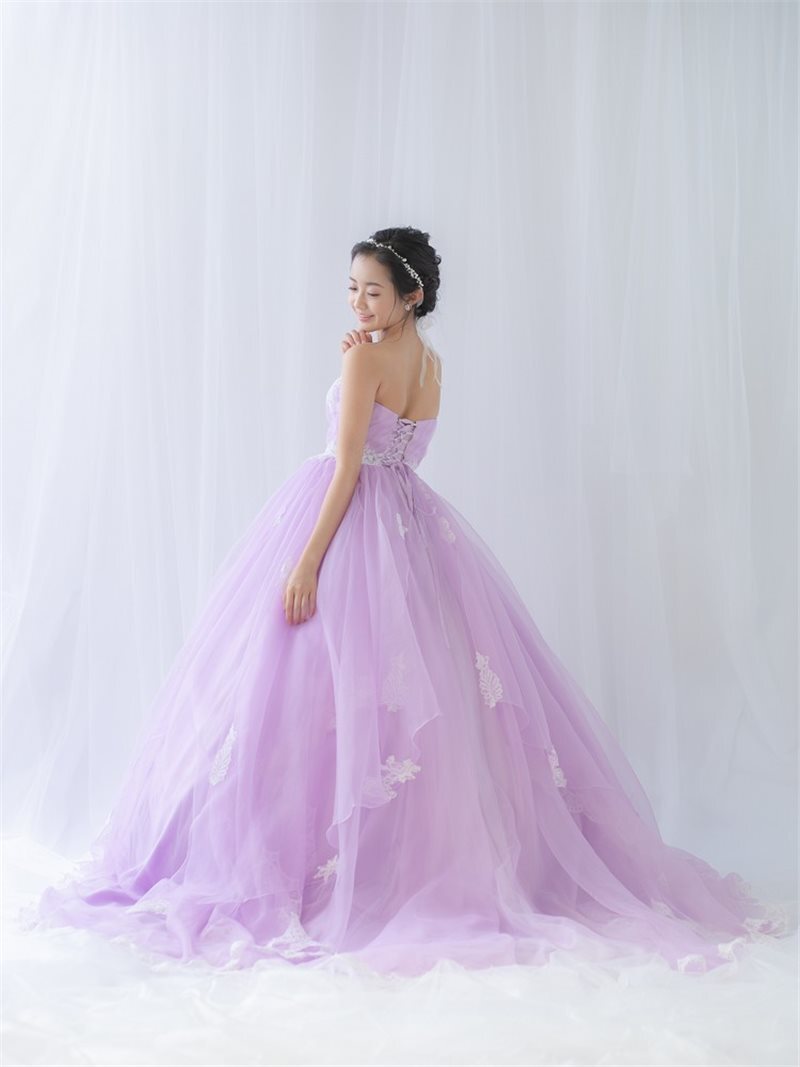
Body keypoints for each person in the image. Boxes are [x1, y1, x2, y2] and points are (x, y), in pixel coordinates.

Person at [17, 226, 787, 977]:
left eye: (373, 292)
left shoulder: (365, 360)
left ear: (411, 295)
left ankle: (308, 862)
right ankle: (377, 857)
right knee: (398, 699)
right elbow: (399, 447)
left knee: (299, 690)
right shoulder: (431, 362)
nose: (358, 303)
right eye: (352, 289)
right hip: (411, 530)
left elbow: (348, 463)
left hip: (348, 522)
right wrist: (362, 359)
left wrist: (307, 559)